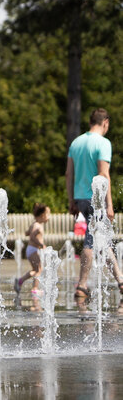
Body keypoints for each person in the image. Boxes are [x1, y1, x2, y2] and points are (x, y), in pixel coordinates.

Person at [66, 108, 123, 300]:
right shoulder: (103, 143)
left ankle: (120, 280)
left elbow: (69, 174)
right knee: (90, 243)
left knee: (103, 241)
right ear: (105, 122)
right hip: (96, 199)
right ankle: (82, 285)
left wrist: (71, 200)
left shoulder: (76, 142)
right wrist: (109, 205)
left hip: (80, 198)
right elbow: (103, 174)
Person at [14, 203, 50, 296]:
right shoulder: (37, 225)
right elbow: (32, 237)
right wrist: (41, 244)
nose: (49, 217)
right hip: (33, 249)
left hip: (31, 249)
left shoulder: (34, 224)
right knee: (39, 270)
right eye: (48, 215)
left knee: (35, 270)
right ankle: (34, 288)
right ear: (42, 216)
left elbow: (27, 233)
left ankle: (20, 281)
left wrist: (30, 231)